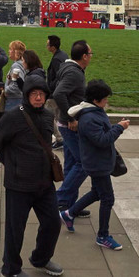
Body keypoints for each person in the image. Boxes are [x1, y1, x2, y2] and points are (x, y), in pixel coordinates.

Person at [0, 75, 63, 277]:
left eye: (42, 94)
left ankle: (40, 258)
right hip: (19, 185)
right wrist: (12, 163)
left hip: (44, 183)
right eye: (34, 94)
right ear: (26, 96)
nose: (38, 98)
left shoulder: (48, 115)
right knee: (15, 230)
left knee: (53, 223)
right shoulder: (13, 116)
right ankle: (11, 269)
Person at [59, 80, 129, 250]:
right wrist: (119, 128)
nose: (107, 101)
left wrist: (115, 127)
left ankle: (69, 214)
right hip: (97, 164)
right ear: (96, 100)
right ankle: (102, 236)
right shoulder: (89, 118)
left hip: (99, 161)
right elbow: (102, 140)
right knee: (108, 199)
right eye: (105, 99)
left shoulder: (95, 111)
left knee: (97, 193)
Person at [53, 40, 93, 216]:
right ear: (84, 56)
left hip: (66, 123)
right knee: (84, 163)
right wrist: (71, 117)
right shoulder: (73, 73)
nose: (91, 56)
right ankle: (58, 200)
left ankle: (69, 207)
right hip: (70, 125)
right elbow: (58, 93)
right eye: (90, 54)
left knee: (71, 164)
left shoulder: (70, 69)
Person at [4, 40, 27, 112]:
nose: (9, 51)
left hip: (14, 100)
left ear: (16, 52)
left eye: (10, 49)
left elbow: (16, 86)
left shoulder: (16, 66)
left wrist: (6, 90)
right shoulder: (22, 64)